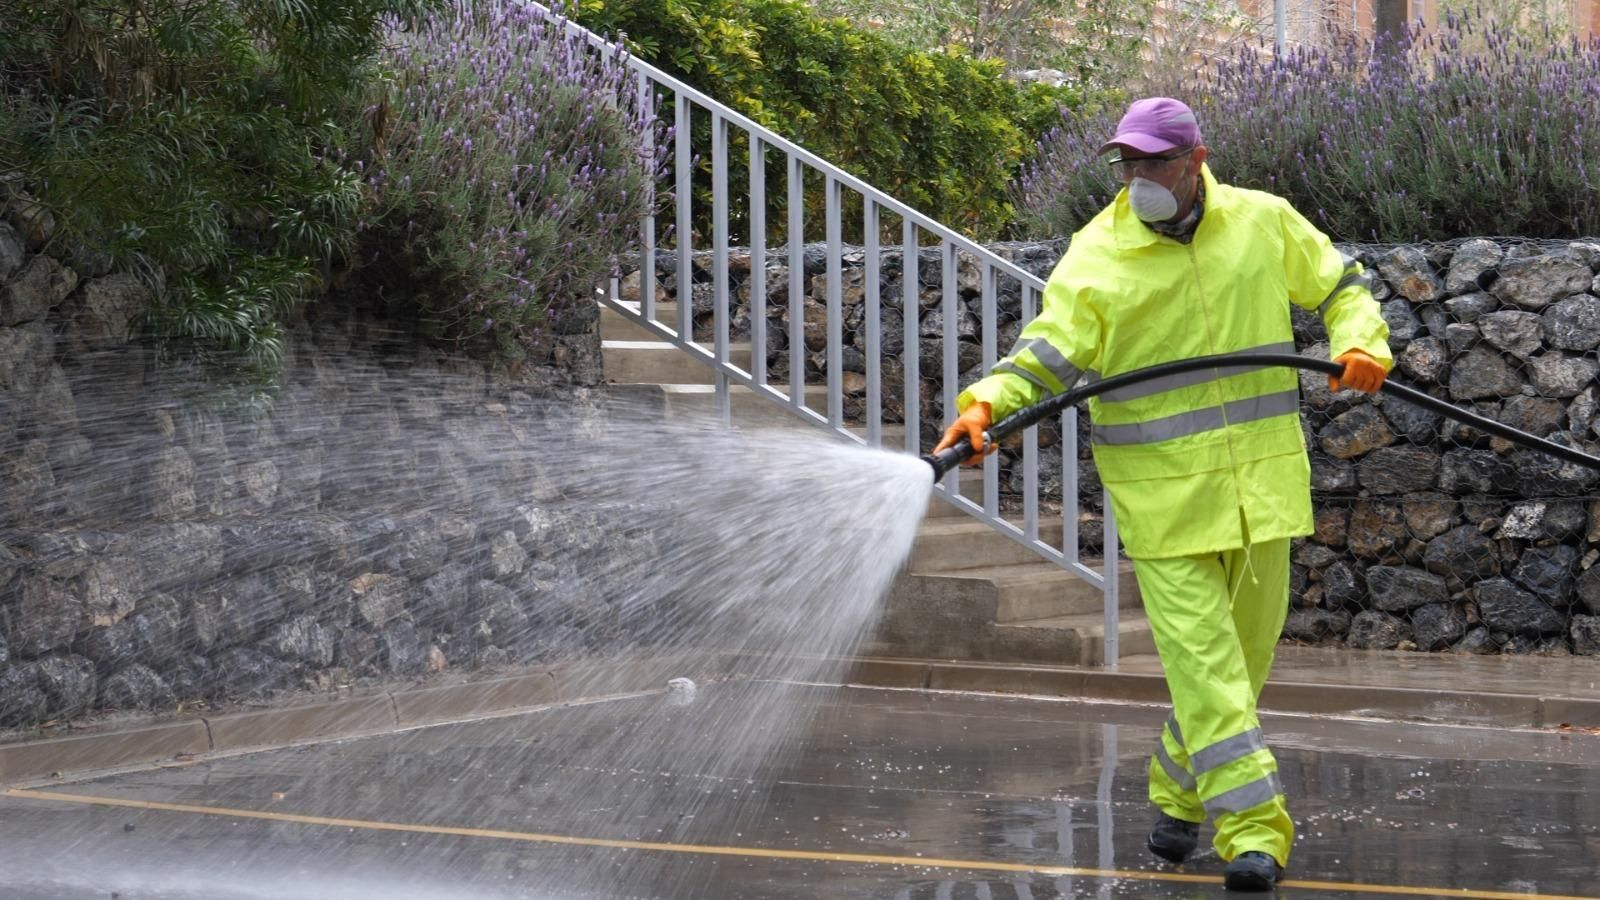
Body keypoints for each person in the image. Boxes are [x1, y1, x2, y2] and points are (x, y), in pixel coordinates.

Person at [932, 97, 1390, 891]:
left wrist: (1359, 343)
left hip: (1262, 491)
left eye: (1154, 162)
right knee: (1211, 672)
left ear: (1195, 159)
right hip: (1164, 505)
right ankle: (1255, 833)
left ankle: (1176, 791)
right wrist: (985, 406)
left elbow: (1342, 284)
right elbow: (1044, 356)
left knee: (1238, 671)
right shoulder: (1097, 255)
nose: (1139, 177)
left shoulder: (1261, 222)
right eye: (1128, 163)